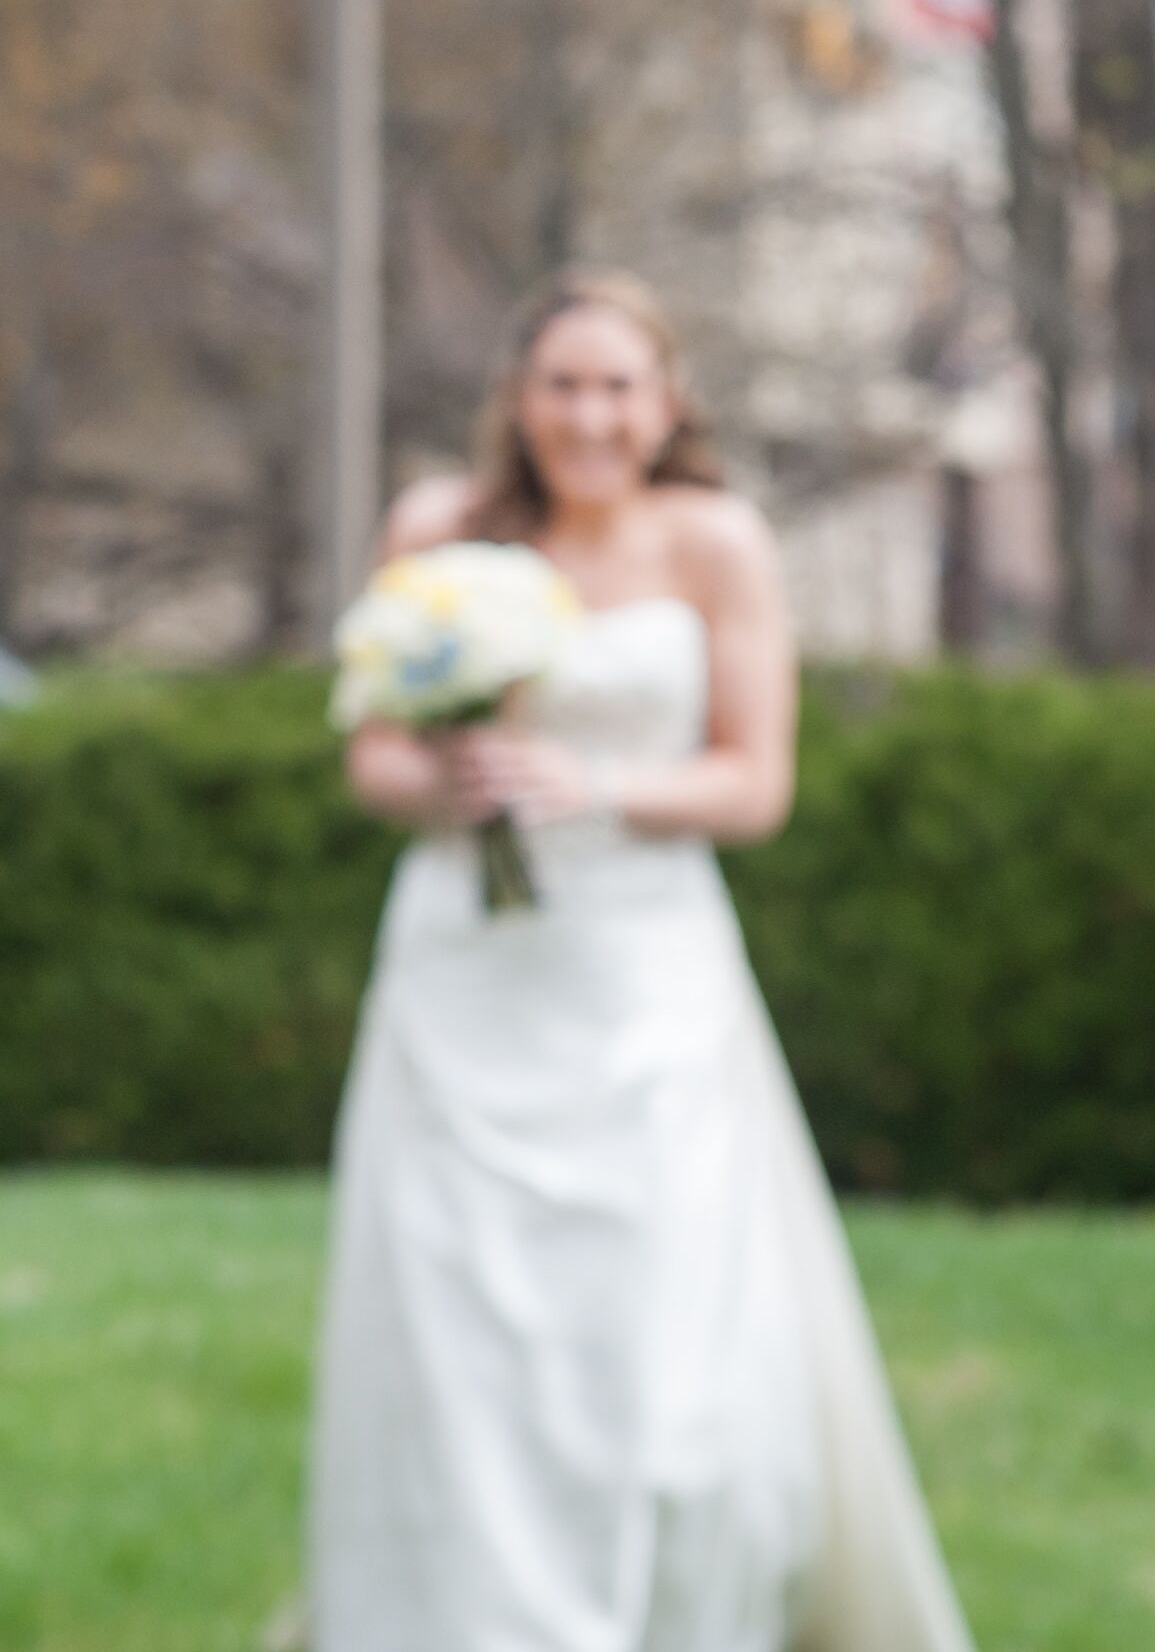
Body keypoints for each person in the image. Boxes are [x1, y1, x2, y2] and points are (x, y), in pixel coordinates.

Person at [311, 272, 972, 1652]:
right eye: (563, 384)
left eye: (619, 386)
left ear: (667, 404)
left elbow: (754, 784)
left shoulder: (715, 544)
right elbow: (371, 757)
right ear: (520, 399)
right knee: (459, 1332)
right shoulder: (437, 530)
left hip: (643, 977)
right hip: (464, 974)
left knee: (663, 1334)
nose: (591, 415)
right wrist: (455, 781)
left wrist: (594, 787)